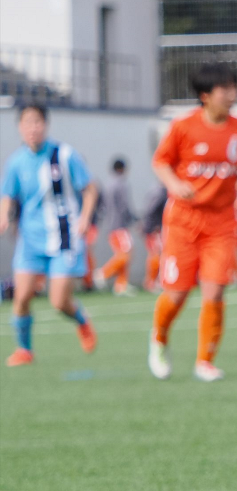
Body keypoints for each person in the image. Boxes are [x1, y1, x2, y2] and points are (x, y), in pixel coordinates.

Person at [148, 64, 237, 382]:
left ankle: (205, 361)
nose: (232, 94)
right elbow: (161, 161)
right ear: (205, 95)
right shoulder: (183, 127)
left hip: (222, 222)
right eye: (225, 89)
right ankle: (158, 339)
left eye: (234, 88)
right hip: (184, 221)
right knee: (177, 294)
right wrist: (175, 184)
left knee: (215, 291)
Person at [1, 104, 100, 366]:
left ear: (45, 124)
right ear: (20, 127)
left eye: (37, 122)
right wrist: (4, 216)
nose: (32, 128)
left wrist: (85, 217)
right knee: (22, 296)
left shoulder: (64, 155)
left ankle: (81, 319)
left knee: (58, 301)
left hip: (64, 237)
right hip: (30, 240)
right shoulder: (16, 162)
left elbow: (90, 189)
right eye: (27, 123)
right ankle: (24, 350)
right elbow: (8, 195)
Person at [95, 158, 140, 295]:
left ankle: (121, 284)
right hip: (119, 225)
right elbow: (124, 205)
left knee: (123, 253)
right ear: (123, 169)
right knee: (126, 254)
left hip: (111, 225)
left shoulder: (108, 185)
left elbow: (101, 206)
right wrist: (134, 219)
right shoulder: (121, 184)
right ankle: (103, 273)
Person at [141, 185, 167, 291]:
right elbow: (151, 210)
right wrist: (154, 226)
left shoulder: (157, 191)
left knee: (157, 254)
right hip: (153, 229)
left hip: (153, 227)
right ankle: (151, 282)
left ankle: (153, 281)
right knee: (156, 254)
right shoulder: (161, 192)